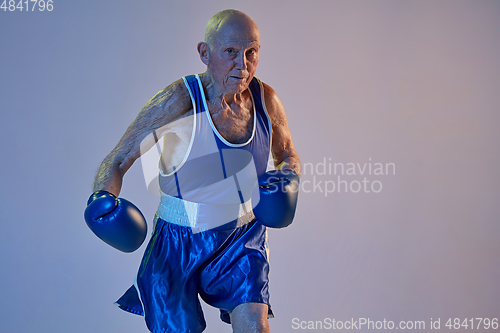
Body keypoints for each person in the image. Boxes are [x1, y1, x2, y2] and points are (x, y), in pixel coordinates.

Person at [87, 9, 300, 333]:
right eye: (230, 52)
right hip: (177, 240)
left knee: (255, 327)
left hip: (240, 236)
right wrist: (102, 197)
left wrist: (289, 177)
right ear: (205, 53)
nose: (242, 64)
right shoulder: (178, 100)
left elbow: (287, 154)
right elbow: (118, 158)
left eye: (251, 52)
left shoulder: (265, 99)